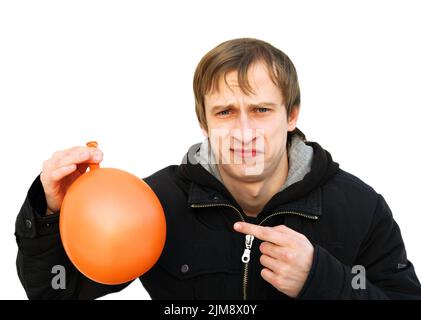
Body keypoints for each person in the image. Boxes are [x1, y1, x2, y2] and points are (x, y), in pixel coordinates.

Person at [15, 38, 421, 300]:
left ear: (292, 114)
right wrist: (50, 214)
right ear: (204, 121)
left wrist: (322, 280)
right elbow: (55, 290)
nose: (244, 132)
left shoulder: (359, 206)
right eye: (225, 112)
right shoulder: (157, 202)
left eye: (261, 110)